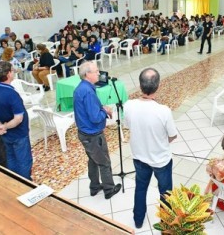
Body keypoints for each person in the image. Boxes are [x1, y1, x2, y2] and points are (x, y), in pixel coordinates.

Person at [123, 68, 178, 229]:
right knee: (166, 193)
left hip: (139, 156)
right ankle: (167, 224)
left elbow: (128, 126)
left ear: (140, 86)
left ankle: (138, 220)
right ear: (158, 86)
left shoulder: (129, 105)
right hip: (161, 160)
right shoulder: (163, 111)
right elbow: (172, 136)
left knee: (140, 188)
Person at [73, 62, 121, 200]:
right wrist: (104, 113)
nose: (99, 73)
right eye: (96, 71)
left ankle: (94, 187)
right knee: (104, 162)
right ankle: (109, 189)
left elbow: (91, 108)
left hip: (84, 133)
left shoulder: (83, 87)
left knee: (93, 161)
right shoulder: (87, 91)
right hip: (93, 134)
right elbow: (94, 117)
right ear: (87, 74)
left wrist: (101, 107)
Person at [0, 61, 33, 180]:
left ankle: (14, 181)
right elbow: (18, 118)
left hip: (6, 134)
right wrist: (4, 127)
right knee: (24, 161)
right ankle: (26, 184)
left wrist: (0, 126)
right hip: (18, 133)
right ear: (9, 74)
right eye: (12, 70)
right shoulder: (11, 94)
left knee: (11, 158)